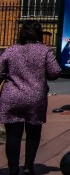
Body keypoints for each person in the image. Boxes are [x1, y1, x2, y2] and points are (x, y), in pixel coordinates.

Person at [0, 21, 61, 175]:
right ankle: (28, 167)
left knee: (13, 135)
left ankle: (13, 169)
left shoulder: (11, 50)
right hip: (35, 98)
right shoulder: (44, 51)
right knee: (33, 133)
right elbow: (54, 72)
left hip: (12, 96)